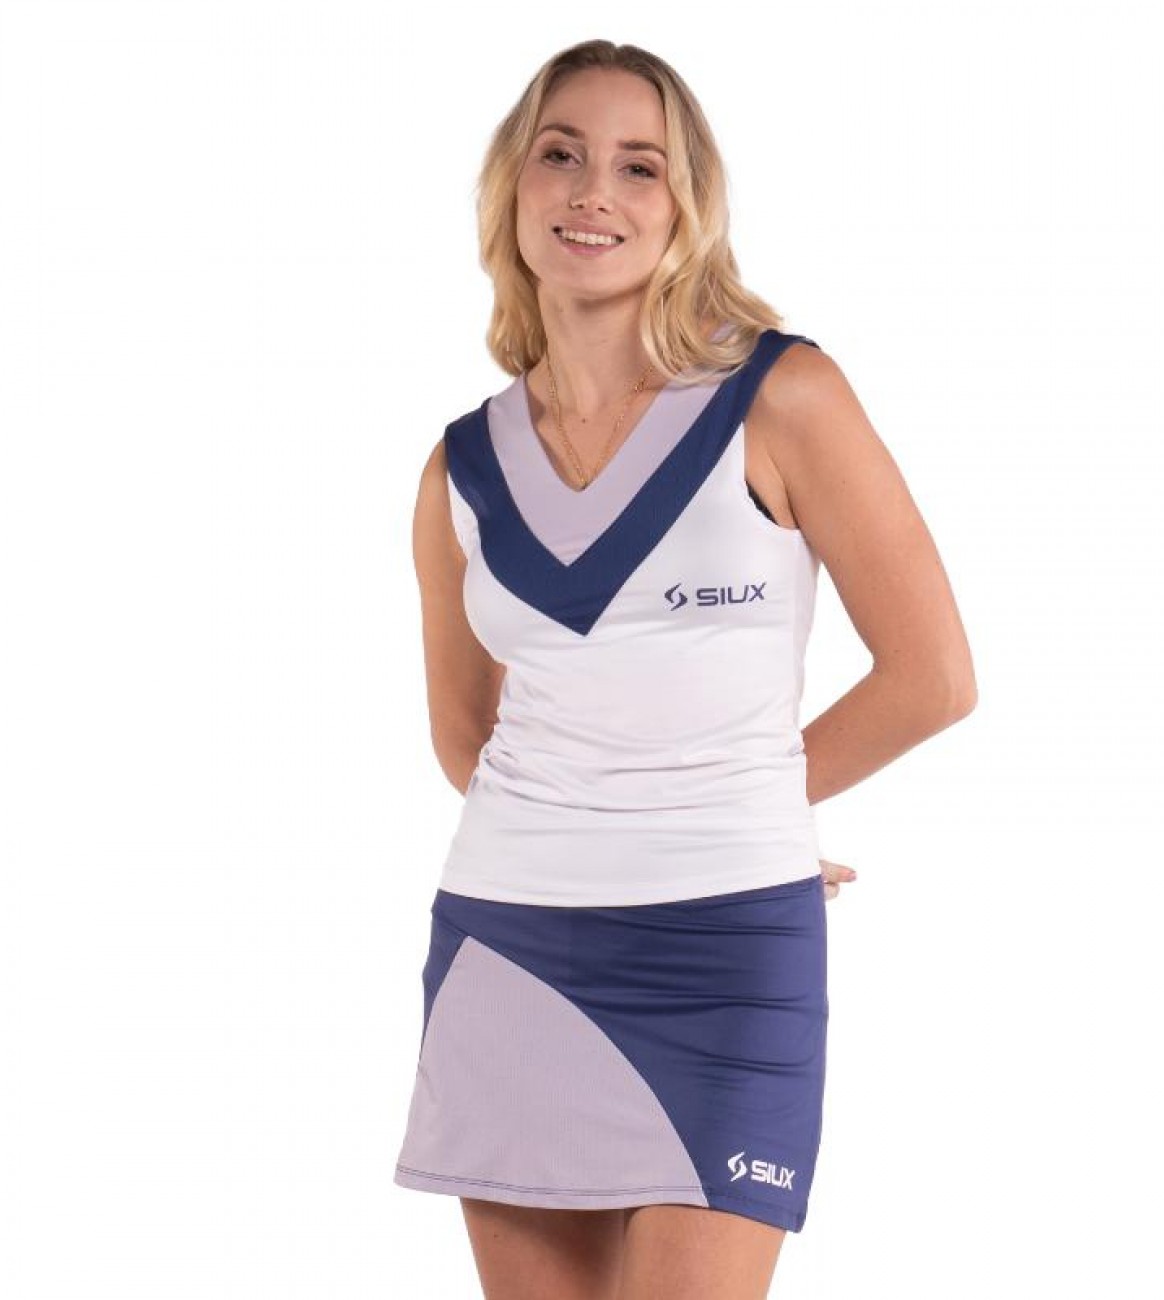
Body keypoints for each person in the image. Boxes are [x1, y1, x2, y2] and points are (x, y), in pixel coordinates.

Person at [392, 38, 977, 1300]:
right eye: (561, 154)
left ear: (685, 205)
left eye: (637, 166)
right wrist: (645, 809)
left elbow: (932, 675)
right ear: (512, 186)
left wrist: (732, 807)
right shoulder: (457, 471)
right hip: (512, 947)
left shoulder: (783, 395)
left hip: (728, 955)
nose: (592, 191)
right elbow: (464, 737)